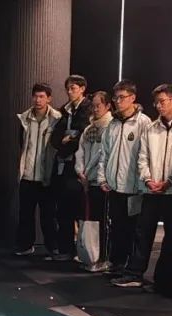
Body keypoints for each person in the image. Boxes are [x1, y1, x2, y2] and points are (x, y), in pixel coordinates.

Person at [111, 84, 172, 291]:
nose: (159, 106)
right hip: (151, 190)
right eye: (156, 103)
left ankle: (163, 281)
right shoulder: (151, 128)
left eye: (162, 101)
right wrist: (147, 180)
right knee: (142, 232)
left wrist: (170, 181)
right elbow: (142, 158)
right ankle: (134, 273)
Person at [98, 80, 152, 272]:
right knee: (116, 227)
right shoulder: (112, 124)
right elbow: (104, 153)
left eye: (122, 97)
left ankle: (129, 266)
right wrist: (102, 178)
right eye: (116, 98)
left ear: (133, 98)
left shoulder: (143, 123)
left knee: (133, 229)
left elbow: (147, 155)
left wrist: (143, 182)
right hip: (114, 186)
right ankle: (116, 262)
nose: (118, 101)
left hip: (134, 187)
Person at [49, 75, 94, 261]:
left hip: (79, 166)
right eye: (68, 88)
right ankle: (65, 249)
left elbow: (83, 136)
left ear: (82, 89)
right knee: (63, 209)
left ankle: (82, 251)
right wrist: (65, 139)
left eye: (73, 88)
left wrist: (69, 139)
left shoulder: (88, 108)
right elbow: (55, 138)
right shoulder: (65, 110)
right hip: (63, 165)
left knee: (79, 210)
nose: (69, 92)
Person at [15, 83, 62, 256]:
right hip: (28, 174)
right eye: (35, 96)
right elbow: (22, 144)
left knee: (48, 215)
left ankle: (52, 247)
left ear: (49, 98)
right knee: (25, 214)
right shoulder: (25, 118)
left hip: (46, 175)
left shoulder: (57, 118)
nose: (38, 100)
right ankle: (25, 245)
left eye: (42, 96)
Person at [75, 91, 114, 272]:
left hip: (102, 183)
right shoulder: (89, 128)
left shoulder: (110, 126)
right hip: (87, 181)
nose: (95, 108)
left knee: (102, 223)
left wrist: (93, 174)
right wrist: (80, 172)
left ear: (107, 106)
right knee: (89, 220)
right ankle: (89, 255)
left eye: (99, 105)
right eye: (94, 105)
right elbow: (80, 152)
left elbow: (104, 155)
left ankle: (103, 258)